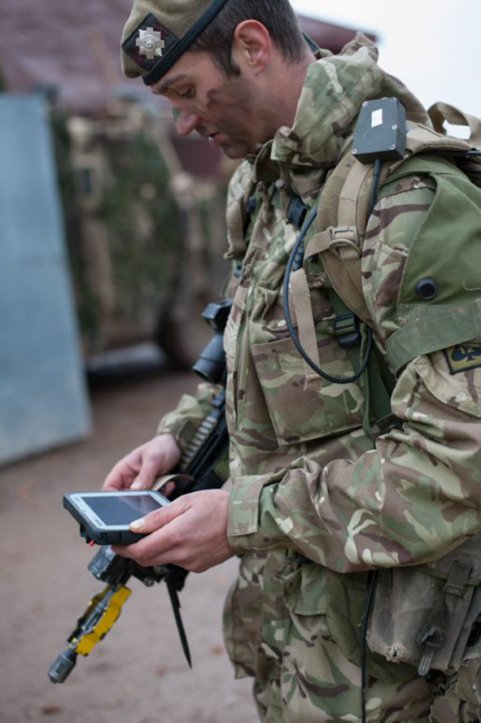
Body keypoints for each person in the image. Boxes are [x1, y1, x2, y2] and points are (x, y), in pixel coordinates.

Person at [103, 1, 481, 720]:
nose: (183, 123)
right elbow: (255, 354)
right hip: (303, 637)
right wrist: (178, 438)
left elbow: (458, 459)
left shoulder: (408, 199)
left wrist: (244, 516)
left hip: (401, 663)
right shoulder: (263, 183)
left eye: (186, 92)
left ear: (250, 46)